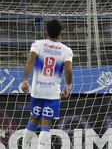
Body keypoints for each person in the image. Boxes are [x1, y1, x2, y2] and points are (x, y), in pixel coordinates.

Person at [21, 19, 73, 149]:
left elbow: (30, 61)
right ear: (61, 32)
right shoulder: (66, 50)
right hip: (52, 93)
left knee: (33, 118)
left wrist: (25, 80)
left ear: (46, 31)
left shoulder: (38, 44)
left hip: (37, 90)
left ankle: (25, 147)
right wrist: (68, 85)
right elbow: (68, 70)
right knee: (46, 123)